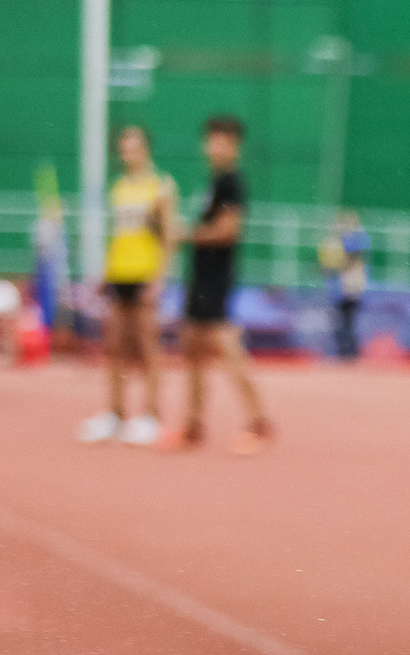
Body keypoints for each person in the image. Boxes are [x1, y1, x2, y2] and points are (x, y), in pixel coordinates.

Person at [170, 114, 272, 455]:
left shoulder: (231, 181)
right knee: (194, 349)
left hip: (216, 279)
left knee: (227, 346)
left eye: (223, 140)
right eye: (211, 139)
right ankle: (193, 426)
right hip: (199, 276)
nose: (215, 146)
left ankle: (260, 423)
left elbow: (230, 230)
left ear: (235, 146)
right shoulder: (214, 181)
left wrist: (186, 233)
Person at [78, 124, 176, 446]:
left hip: (144, 275)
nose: (127, 154)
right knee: (115, 346)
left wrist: (159, 279)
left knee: (148, 348)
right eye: (123, 148)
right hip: (119, 275)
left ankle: (151, 416)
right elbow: (120, 235)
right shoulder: (119, 187)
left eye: (133, 147)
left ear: (146, 149)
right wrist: (105, 274)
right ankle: (115, 414)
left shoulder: (160, 187)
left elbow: (168, 237)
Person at [319, 209, 369, 363]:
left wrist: (334, 266)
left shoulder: (356, 239)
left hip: (350, 287)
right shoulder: (339, 241)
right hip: (341, 288)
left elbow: (352, 260)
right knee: (341, 322)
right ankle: (345, 355)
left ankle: (349, 355)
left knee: (347, 322)